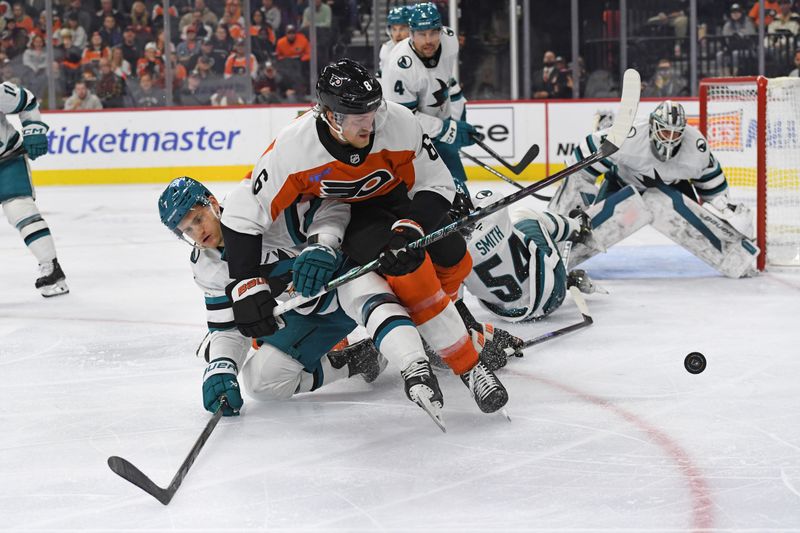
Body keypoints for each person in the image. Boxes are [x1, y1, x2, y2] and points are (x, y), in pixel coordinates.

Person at [219, 59, 522, 415]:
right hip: (350, 215)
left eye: (373, 111)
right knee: (409, 271)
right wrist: (245, 284)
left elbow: (437, 183)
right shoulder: (294, 146)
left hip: (402, 200)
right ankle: (468, 365)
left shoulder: (399, 121)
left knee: (455, 256)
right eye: (358, 117)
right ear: (330, 116)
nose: (371, 123)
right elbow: (245, 209)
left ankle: (445, 323)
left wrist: (411, 226)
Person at [158, 177, 414, 418]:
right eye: (187, 230)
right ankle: (358, 360)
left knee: (404, 309)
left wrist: (322, 245)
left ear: (213, 203)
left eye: (198, 219)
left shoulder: (253, 209)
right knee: (261, 382)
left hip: (351, 275)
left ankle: (416, 340)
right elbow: (226, 327)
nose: (198, 232)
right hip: (315, 312)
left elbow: (329, 206)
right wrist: (222, 365)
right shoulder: (206, 265)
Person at [549, 100, 759, 278]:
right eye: (665, 131)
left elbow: (714, 188)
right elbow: (582, 165)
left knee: (697, 222)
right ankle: (554, 252)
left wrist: (724, 214)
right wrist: (576, 203)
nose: (670, 138)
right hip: (621, 185)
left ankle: (736, 259)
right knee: (592, 228)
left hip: (673, 189)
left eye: (676, 133)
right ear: (652, 125)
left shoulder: (696, 147)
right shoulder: (629, 136)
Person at [380, 2, 478, 202]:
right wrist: (446, 129)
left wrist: (455, 111)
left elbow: (444, 79)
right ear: (412, 34)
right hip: (408, 136)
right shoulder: (399, 65)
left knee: (456, 184)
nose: (428, 40)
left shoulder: (450, 40)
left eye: (433, 33)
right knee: (420, 190)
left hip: (437, 120)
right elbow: (405, 118)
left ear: (441, 31)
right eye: (422, 34)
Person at [461, 190, 590, 323]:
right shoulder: (494, 215)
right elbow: (494, 196)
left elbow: (454, 301)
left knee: (458, 276)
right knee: (523, 215)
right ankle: (580, 229)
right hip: (552, 292)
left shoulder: (450, 253)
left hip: (514, 315)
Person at [1, 81, 69, 296]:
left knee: (20, 210)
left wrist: (33, 130)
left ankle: (51, 268)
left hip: (6, 160)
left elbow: (27, 102)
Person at [377, 5, 410, 77]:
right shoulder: (386, 49)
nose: (397, 34)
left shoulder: (418, 50)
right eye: (394, 29)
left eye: (402, 29)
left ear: (410, 29)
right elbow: (380, 77)